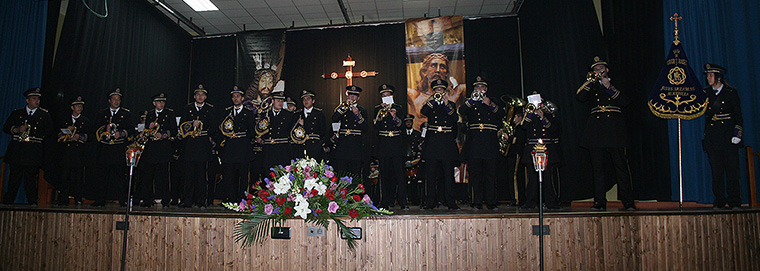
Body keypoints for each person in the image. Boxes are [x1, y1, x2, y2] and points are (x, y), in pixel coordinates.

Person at [576, 56, 636, 211]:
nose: (598, 71)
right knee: (598, 168)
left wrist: (608, 86)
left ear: (607, 69)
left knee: (620, 166)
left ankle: (628, 202)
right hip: (596, 129)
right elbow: (580, 96)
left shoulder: (617, 83)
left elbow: (624, 101)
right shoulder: (592, 86)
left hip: (614, 129)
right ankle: (600, 201)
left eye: (601, 68)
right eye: (595, 69)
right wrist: (589, 82)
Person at [458, 77, 504, 210]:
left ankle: (491, 201)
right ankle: (476, 201)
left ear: (486, 89)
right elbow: (462, 111)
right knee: (475, 174)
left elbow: (501, 114)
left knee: (490, 174)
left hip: (489, 142)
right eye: (477, 87)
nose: (479, 90)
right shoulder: (471, 103)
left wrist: (490, 104)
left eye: (482, 87)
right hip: (475, 143)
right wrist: (473, 100)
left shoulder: (492, 101)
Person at [702, 63, 743, 210]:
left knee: (732, 170)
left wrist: (737, 133)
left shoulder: (731, 93)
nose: (708, 78)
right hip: (713, 137)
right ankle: (719, 199)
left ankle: (734, 200)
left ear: (718, 77)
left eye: (711, 75)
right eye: (707, 75)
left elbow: (738, 116)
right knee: (716, 171)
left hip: (728, 136)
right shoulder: (706, 93)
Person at [2, 88, 53, 205]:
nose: (37, 101)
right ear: (27, 100)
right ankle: (8, 199)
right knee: (14, 177)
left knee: (31, 178)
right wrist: (17, 129)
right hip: (18, 150)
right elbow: (6, 127)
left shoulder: (43, 115)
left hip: (33, 150)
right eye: (34, 99)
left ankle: (32, 200)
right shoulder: (17, 113)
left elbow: (49, 131)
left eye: (38, 99)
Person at [420, 79, 460, 210]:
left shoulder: (451, 105)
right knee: (431, 174)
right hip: (433, 142)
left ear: (445, 91)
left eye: (441, 90)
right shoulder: (430, 104)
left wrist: (447, 104)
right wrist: (433, 101)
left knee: (448, 174)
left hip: (446, 142)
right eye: (437, 90)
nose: (439, 92)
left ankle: (450, 201)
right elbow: (423, 111)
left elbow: (454, 119)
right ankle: (430, 201)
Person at [518, 93, 562, 210]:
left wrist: (543, 117)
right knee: (532, 178)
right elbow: (524, 126)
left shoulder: (549, 114)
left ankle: (550, 202)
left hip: (546, 147)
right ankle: (530, 203)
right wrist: (531, 113)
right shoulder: (529, 114)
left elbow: (553, 129)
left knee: (547, 177)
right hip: (532, 147)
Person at [92, 88, 135, 207]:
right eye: (114, 99)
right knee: (102, 176)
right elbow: (95, 129)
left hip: (118, 148)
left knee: (120, 177)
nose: (116, 101)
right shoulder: (102, 113)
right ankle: (100, 200)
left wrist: (121, 133)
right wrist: (104, 130)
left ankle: (122, 200)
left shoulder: (125, 114)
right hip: (105, 148)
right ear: (109, 100)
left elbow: (131, 129)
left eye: (118, 99)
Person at [136, 93, 176, 207]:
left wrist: (162, 134)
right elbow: (146, 132)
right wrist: (150, 128)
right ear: (154, 103)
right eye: (159, 102)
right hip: (151, 149)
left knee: (163, 176)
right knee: (148, 176)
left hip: (163, 148)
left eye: (163, 102)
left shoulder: (169, 113)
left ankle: (165, 200)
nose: (161, 104)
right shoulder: (150, 114)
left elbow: (173, 131)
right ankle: (148, 199)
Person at [407, 53, 467, 130]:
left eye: (442, 67)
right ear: (425, 72)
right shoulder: (414, 95)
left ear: (446, 73)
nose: (438, 70)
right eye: (433, 65)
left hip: (446, 135)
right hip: (424, 138)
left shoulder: (455, 94)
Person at [178, 85, 216, 208]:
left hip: (203, 144)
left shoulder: (210, 109)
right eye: (198, 94)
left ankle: (201, 200)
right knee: (188, 175)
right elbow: (182, 126)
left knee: (201, 175)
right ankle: (187, 199)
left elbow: (214, 126)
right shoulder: (187, 108)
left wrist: (208, 134)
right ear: (194, 96)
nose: (200, 97)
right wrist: (191, 124)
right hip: (190, 144)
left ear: (205, 97)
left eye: (202, 95)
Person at [216, 86, 255, 203]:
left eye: (238, 96)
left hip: (243, 148)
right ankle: (229, 200)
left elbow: (252, 131)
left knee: (243, 177)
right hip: (230, 148)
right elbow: (221, 129)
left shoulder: (248, 113)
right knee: (229, 176)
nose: (235, 98)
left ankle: (242, 200)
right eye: (233, 96)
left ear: (242, 98)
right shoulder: (226, 112)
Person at [373, 84, 407, 209]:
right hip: (384, 145)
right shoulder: (378, 109)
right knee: (384, 174)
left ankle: (402, 201)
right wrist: (381, 114)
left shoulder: (399, 108)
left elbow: (402, 125)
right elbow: (375, 126)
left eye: (388, 95)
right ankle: (385, 200)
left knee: (399, 174)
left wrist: (394, 117)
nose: (385, 98)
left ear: (392, 96)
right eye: (383, 96)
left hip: (396, 144)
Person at [55, 96, 92, 206]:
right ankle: (63, 198)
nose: (79, 107)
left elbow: (90, 136)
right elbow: (57, 135)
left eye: (81, 105)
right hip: (66, 152)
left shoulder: (85, 121)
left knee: (78, 177)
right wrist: (67, 132)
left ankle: (78, 198)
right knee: (64, 176)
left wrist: (79, 136)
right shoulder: (64, 119)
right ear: (72, 107)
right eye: (77, 105)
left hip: (79, 152)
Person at [331, 85, 368, 176]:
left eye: (354, 96)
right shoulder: (341, 108)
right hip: (343, 145)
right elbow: (334, 118)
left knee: (355, 173)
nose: (351, 97)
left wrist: (357, 115)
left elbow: (365, 128)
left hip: (355, 146)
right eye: (350, 95)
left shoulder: (362, 110)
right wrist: (344, 107)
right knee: (342, 172)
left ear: (358, 98)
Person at [257, 90, 295, 170]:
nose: (280, 103)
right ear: (273, 101)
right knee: (268, 173)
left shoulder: (289, 115)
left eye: (282, 101)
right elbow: (258, 131)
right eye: (278, 101)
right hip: (269, 150)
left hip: (283, 149)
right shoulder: (265, 114)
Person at [294, 89, 327, 161]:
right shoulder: (297, 114)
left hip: (315, 146)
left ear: (313, 101)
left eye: (308, 99)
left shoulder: (319, 113)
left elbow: (323, 131)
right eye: (304, 99)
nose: (306, 101)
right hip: (301, 146)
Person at [402, 114, 424, 206]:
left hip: (414, 160)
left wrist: (417, 158)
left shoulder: (417, 134)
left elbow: (420, 148)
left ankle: (415, 199)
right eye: (407, 121)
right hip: (403, 160)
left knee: (415, 181)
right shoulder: (401, 134)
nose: (408, 123)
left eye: (410, 121)